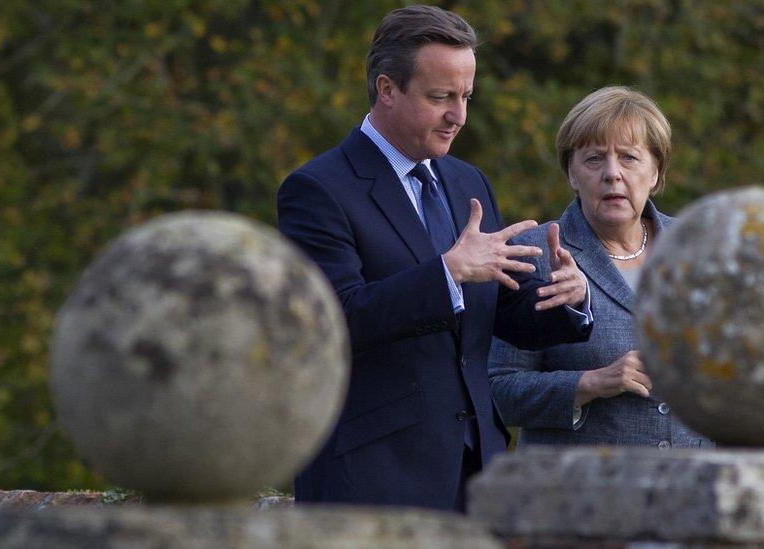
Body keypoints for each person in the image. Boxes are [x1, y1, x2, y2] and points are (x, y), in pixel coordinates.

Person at [276, 5, 592, 512]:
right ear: (387, 90)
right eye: (440, 97)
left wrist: (567, 299)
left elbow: (497, 311)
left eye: (466, 96)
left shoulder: (468, 181)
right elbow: (330, 320)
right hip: (371, 476)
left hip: (476, 471)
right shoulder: (316, 190)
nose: (459, 116)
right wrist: (447, 273)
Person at [489, 86, 713, 448]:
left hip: (690, 489)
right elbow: (498, 390)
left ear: (655, 172)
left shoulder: (700, 246)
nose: (612, 174)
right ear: (572, 175)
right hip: (583, 495)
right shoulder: (533, 253)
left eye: (629, 158)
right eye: (594, 159)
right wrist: (592, 383)